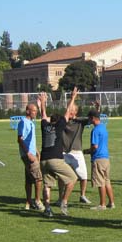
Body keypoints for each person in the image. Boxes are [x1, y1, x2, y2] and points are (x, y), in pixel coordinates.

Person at [38, 89, 80, 217]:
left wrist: (43, 103)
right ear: (58, 121)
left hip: (43, 160)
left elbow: (43, 115)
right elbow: (67, 112)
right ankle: (64, 202)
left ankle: (47, 208)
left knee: (47, 185)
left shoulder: (44, 126)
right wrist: (72, 97)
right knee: (73, 178)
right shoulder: (59, 126)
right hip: (55, 159)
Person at [61, 97, 97, 205]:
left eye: (73, 109)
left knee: (84, 176)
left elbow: (92, 120)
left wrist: (97, 108)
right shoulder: (63, 121)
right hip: (64, 153)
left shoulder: (80, 122)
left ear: (76, 111)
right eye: (69, 109)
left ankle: (82, 195)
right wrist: (72, 98)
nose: (70, 111)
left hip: (77, 152)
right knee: (62, 177)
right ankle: (60, 197)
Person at [17, 101, 43, 211]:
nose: (35, 113)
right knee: (39, 178)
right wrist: (28, 154)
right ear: (28, 111)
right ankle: (37, 200)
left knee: (29, 179)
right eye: (34, 111)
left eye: (36, 111)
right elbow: (20, 139)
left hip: (32, 153)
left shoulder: (32, 122)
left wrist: (36, 151)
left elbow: (30, 139)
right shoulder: (23, 122)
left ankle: (28, 202)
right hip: (28, 155)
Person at [85, 109, 114, 210]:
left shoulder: (95, 130)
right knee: (107, 181)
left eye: (89, 118)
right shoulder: (103, 127)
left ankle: (102, 204)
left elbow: (95, 146)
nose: (88, 120)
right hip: (106, 158)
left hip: (98, 158)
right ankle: (111, 202)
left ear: (92, 118)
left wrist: (87, 151)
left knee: (100, 182)